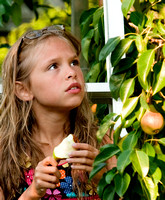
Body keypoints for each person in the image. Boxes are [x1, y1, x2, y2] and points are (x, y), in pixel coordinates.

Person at [0, 25, 115, 200]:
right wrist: (32, 193)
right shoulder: (6, 153)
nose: (71, 73)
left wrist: (103, 180)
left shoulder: (101, 142)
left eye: (74, 62)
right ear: (24, 90)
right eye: (53, 66)